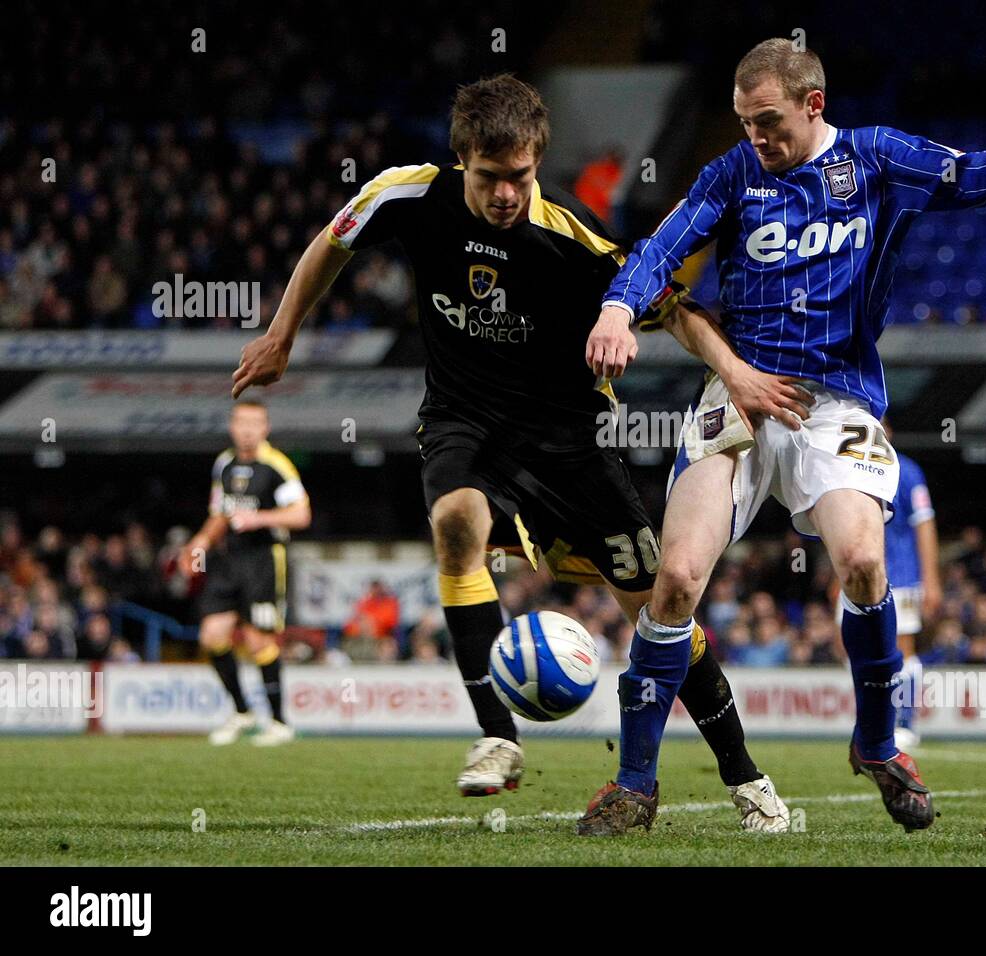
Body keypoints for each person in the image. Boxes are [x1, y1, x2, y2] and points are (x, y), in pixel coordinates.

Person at [231, 74, 809, 830]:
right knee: (456, 526)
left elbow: (674, 306)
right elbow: (330, 243)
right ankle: (496, 736)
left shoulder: (571, 240)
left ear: (538, 162)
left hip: (569, 441)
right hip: (462, 420)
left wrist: (735, 373)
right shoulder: (407, 195)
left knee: (661, 608)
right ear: (461, 159)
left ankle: (744, 775)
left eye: (521, 176)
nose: (507, 193)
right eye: (490, 177)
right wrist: (282, 333)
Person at [580, 37, 986, 834]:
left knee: (867, 563)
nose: (755, 140)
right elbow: (660, 249)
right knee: (675, 580)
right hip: (740, 392)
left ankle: (879, 745)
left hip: (835, 403)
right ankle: (634, 784)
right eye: (743, 123)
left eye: (767, 122)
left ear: (813, 105)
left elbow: (971, 179)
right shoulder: (734, 173)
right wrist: (615, 308)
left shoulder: (876, 160)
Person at [185, 399, 311, 746]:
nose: (247, 429)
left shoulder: (276, 466)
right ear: (232, 426)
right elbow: (219, 514)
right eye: (241, 422)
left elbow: (301, 515)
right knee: (211, 636)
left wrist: (261, 518)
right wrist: (200, 543)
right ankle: (242, 712)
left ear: (265, 428)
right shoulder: (224, 464)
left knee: (259, 641)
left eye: (255, 423)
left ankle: (280, 723)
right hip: (230, 559)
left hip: (265, 558)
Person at [880, 421, 941, 750]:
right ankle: (878, 717)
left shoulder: (907, 471)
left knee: (903, 649)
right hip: (865, 577)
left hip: (902, 576)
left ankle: (905, 720)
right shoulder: (851, 467)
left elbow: (924, 525)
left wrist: (930, 579)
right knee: (853, 644)